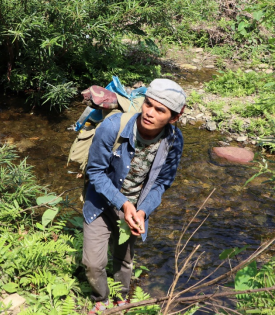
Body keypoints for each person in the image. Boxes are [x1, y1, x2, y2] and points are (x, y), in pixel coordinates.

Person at [82, 79, 185, 314]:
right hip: (99, 203)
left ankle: (120, 298)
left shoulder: (174, 140)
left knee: (124, 260)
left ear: (173, 118)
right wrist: (123, 203)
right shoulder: (113, 127)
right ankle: (101, 297)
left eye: (160, 110)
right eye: (148, 104)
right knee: (93, 263)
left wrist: (142, 210)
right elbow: (95, 172)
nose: (149, 112)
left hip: (135, 210)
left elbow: (162, 182)